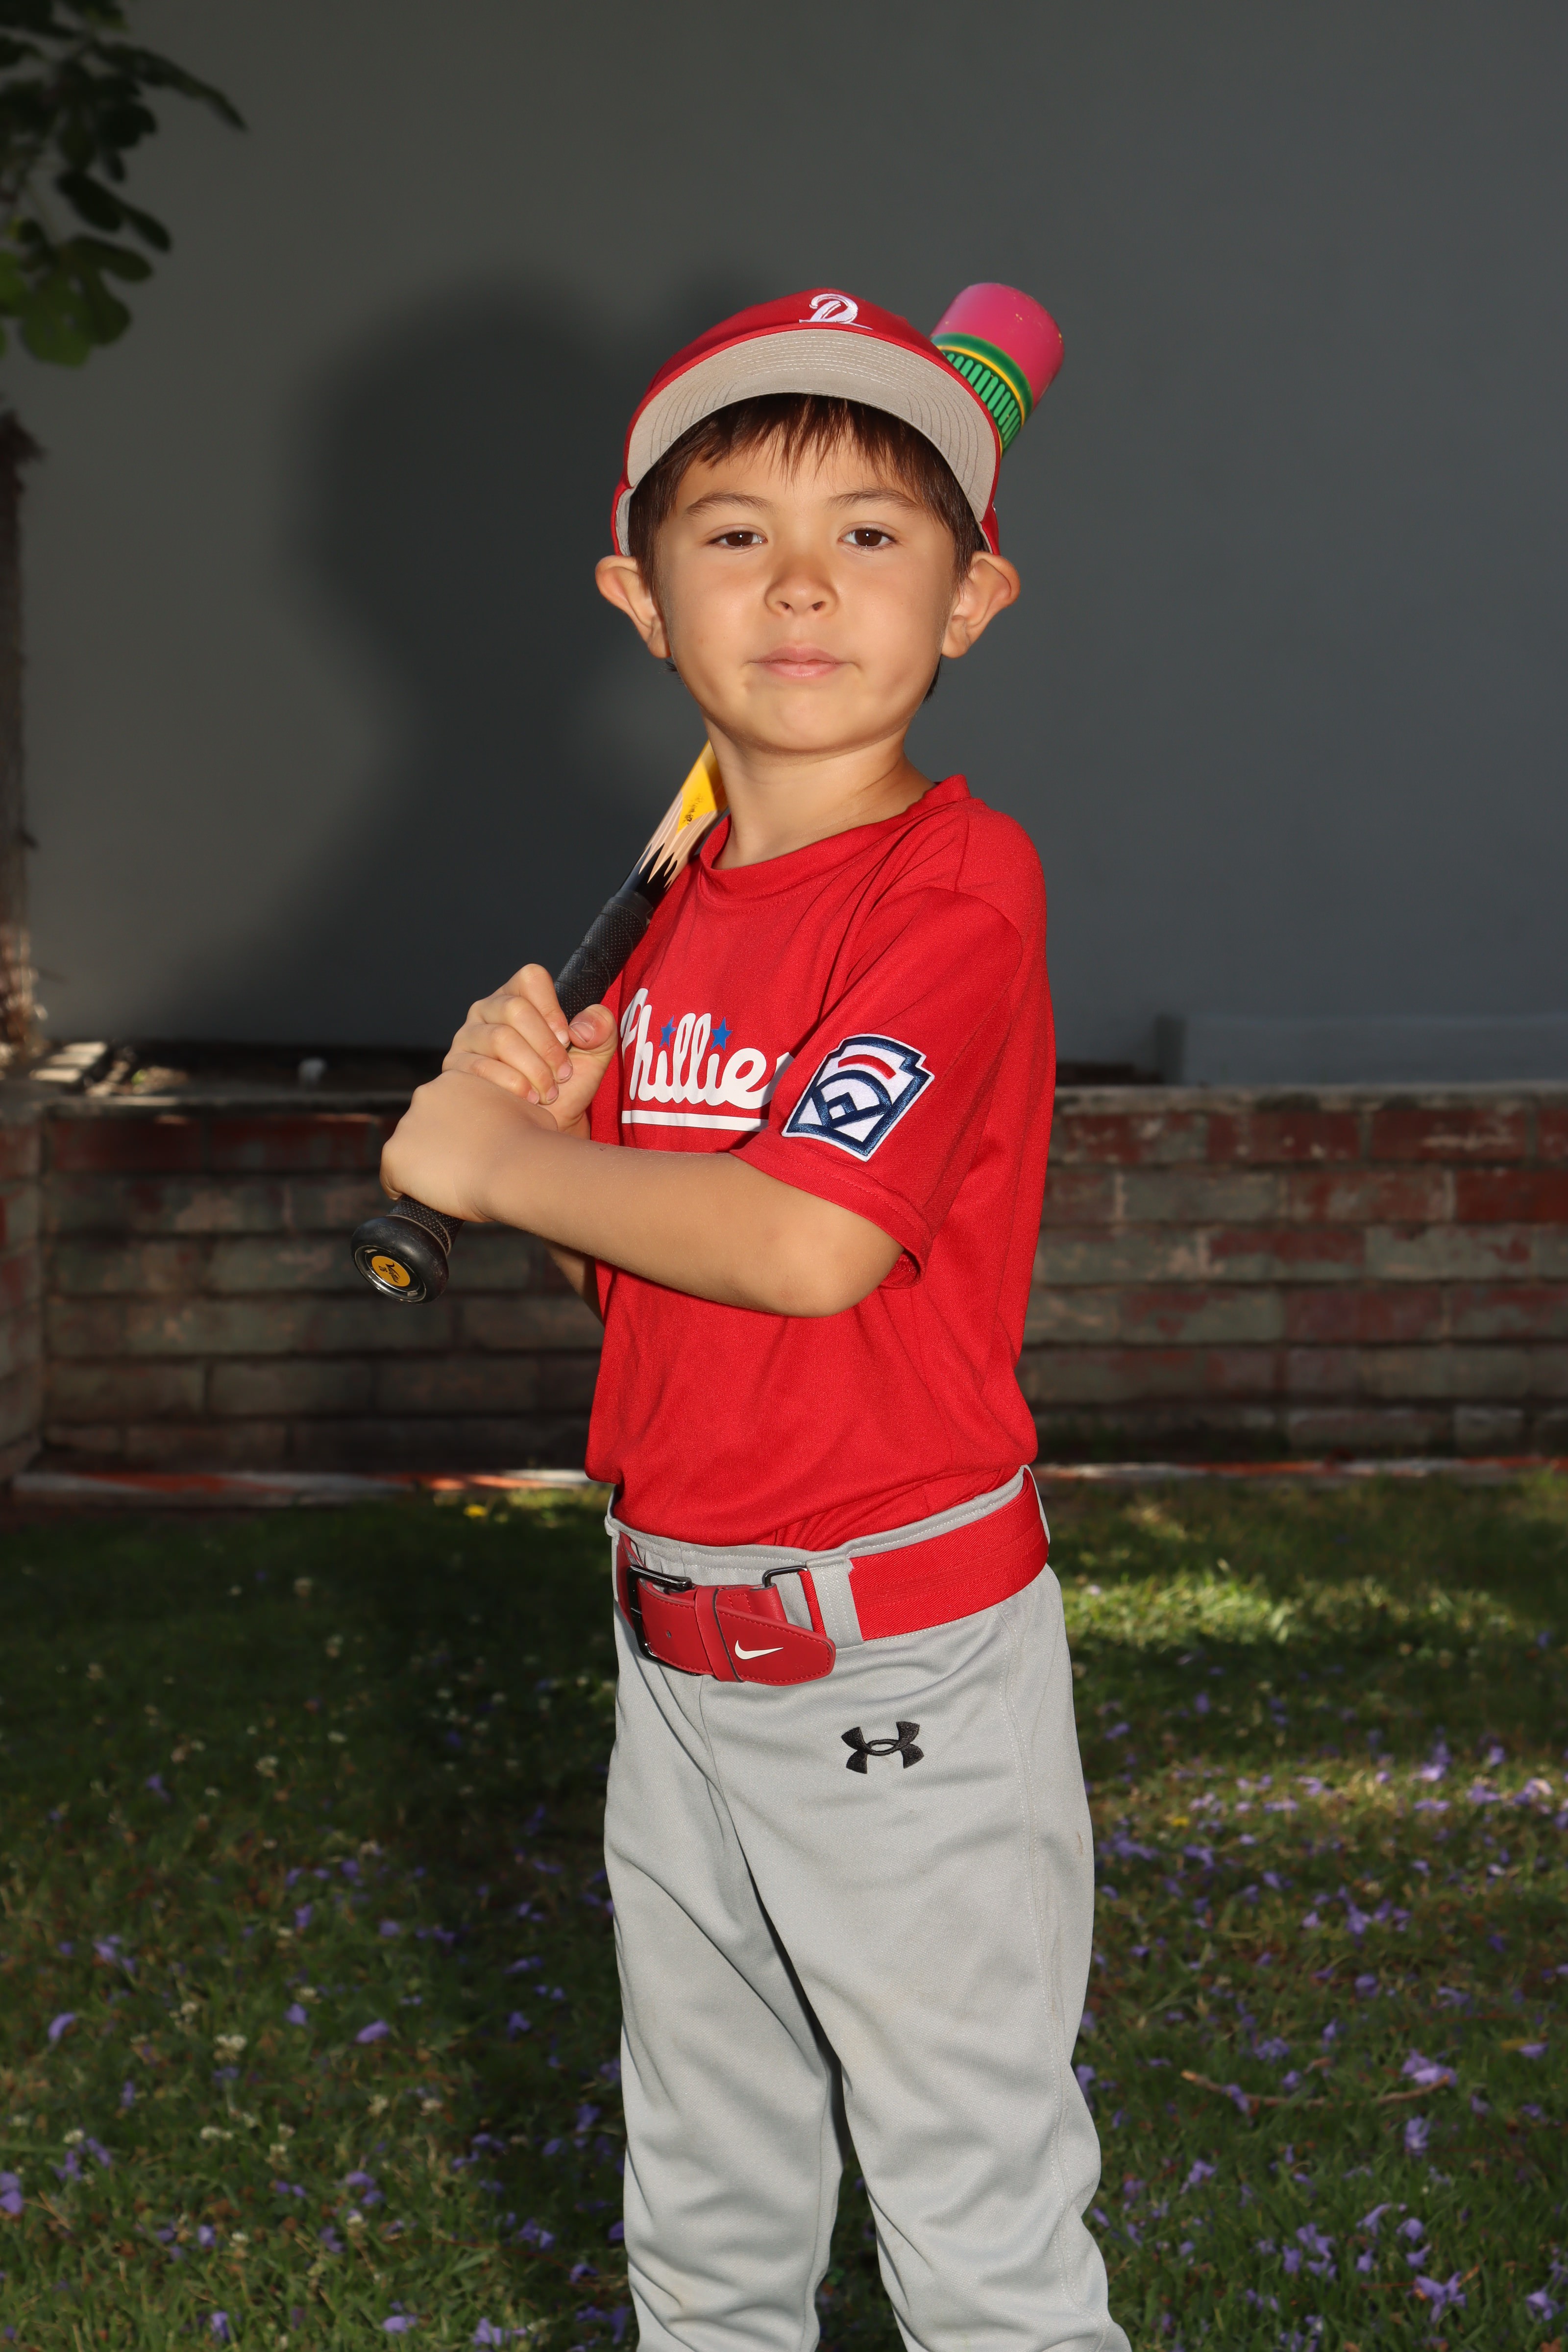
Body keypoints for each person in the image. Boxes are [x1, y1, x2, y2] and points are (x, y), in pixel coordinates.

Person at [381, 289, 1127, 2352]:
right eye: (734, 534)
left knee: (971, 2225)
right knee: (707, 2213)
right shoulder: (678, 916)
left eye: (871, 535)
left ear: (970, 601)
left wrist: (493, 1163)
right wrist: (554, 1149)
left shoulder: (951, 894)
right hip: (676, 1637)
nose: (801, 583)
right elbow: (662, 1278)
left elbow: (806, 1248)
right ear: (640, 600)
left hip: (895, 1653)